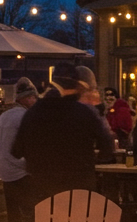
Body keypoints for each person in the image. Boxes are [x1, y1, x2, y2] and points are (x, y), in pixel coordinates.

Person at [11, 63, 115, 206]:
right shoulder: (85, 113)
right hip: (79, 190)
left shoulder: (32, 114)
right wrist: (91, 159)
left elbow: (16, 151)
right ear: (74, 87)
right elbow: (107, 146)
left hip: (43, 192)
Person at [0, 78, 39, 222]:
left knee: (11, 214)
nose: (35, 101)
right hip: (21, 172)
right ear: (26, 98)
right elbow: (30, 145)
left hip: (3, 172)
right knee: (30, 212)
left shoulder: (4, 116)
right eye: (33, 97)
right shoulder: (25, 116)